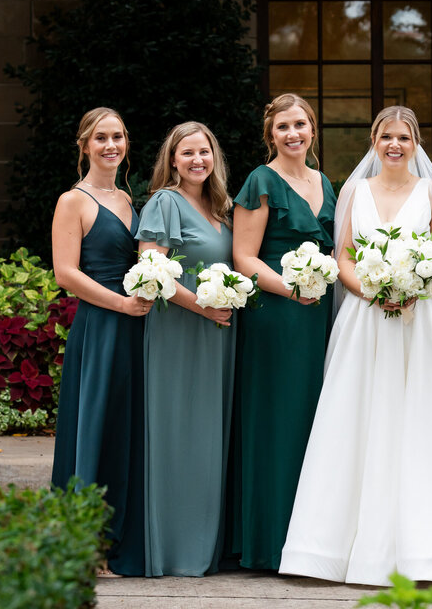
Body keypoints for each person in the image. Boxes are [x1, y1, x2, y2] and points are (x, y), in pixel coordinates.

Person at [279, 106, 432, 586]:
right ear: (374, 140)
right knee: (356, 417)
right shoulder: (355, 191)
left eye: (404, 137)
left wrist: (411, 287)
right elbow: (345, 257)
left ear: (416, 143)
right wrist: (374, 291)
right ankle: (329, 551)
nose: (395, 145)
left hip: (421, 320)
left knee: (422, 419)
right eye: (386, 136)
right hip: (365, 318)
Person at [230, 93, 336, 571]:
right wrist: (291, 290)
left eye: (301, 125)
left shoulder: (325, 182)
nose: (293, 134)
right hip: (276, 313)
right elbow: (244, 258)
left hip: (322, 316)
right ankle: (269, 541)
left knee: (316, 420)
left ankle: (312, 540)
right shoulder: (260, 181)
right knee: (277, 419)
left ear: (312, 128)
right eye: (283, 127)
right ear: (270, 135)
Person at [50, 107, 152, 577]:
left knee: (123, 427)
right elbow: (66, 273)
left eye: (119, 137)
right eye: (102, 138)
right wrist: (120, 304)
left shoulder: (129, 200)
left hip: (135, 327)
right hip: (102, 324)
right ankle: (81, 543)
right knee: (93, 426)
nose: (111, 145)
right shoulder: (74, 200)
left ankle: (115, 538)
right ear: (84, 145)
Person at [137, 122, 237, 577]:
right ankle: (177, 550)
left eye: (205, 152)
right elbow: (151, 269)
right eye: (188, 153)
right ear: (172, 160)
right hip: (180, 330)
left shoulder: (220, 208)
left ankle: (207, 545)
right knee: (181, 435)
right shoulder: (164, 202)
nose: (198, 160)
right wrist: (203, 306)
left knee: (210, 436)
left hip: (217, 333)